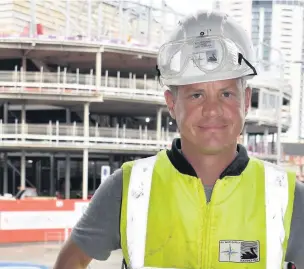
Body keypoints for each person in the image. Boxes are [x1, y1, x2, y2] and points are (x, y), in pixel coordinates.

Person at [54, 10, 304, 269]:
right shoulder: (129, 188)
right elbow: (71, 260)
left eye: (227, 94)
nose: (212, 110)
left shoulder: (286, 196)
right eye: (196, 95)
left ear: (247, 100)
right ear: (172, 104)